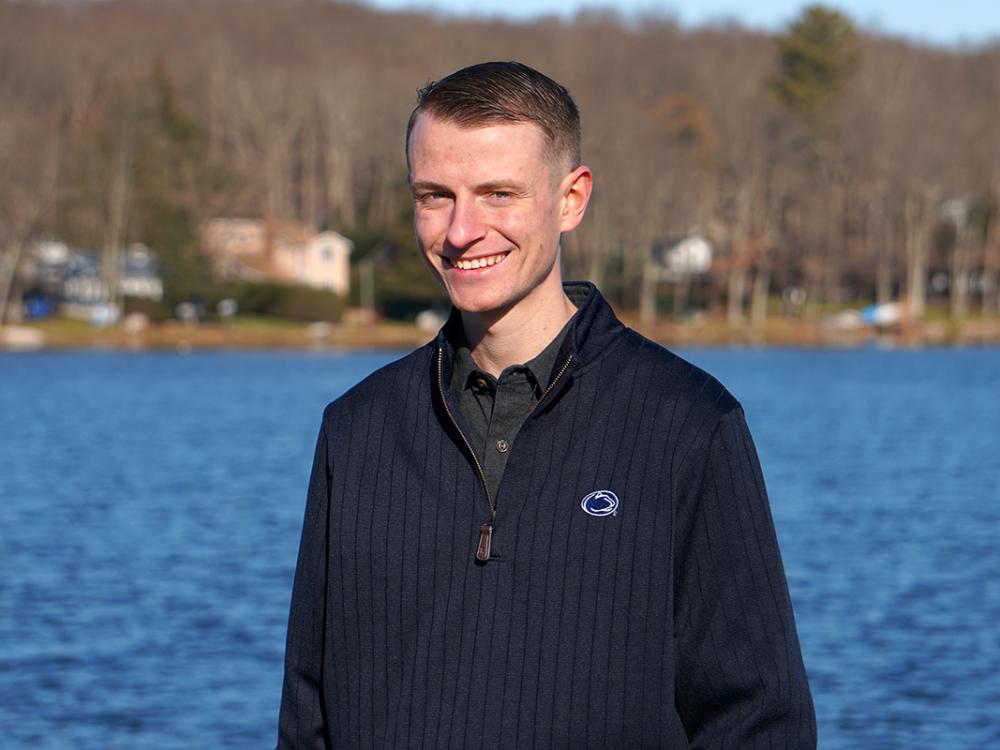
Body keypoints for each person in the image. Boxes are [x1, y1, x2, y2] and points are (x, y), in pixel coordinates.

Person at [277, 61, 816, 749]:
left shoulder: (687, 423)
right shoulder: (356, 430)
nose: (462, 230)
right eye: (435, 195)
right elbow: (307, 718)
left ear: (571, 199)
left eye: (499, 194)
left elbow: (760, 721)